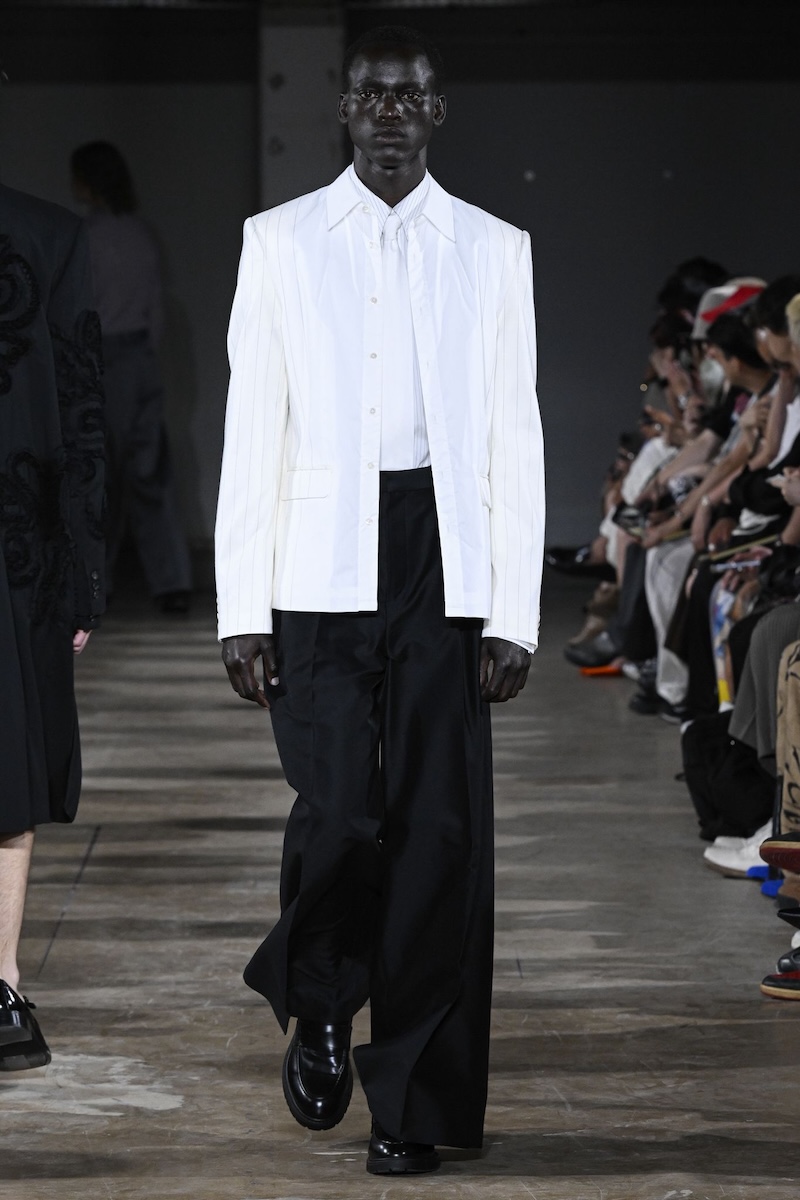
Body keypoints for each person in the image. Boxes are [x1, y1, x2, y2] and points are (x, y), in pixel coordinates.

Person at [215, 24, 544, 1176]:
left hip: (443, 561)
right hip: (315, 560)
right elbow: (253, 423)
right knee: (341, 813)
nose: (390, 113)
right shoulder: (280, 240)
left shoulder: (493, 249)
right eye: (371, 96)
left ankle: (409, 1100)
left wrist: (512, 609)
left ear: (434, 111)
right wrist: (240, 605)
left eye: (409, 97)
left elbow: (511, 429)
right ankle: (316, 995)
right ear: (345, 109)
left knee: (437, 836)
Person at [0, 181, 105, 1070]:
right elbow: (83, 406)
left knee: (13, 761)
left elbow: (80, 402)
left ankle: (0, 983)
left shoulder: (49, 234)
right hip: (22, 541)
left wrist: (84, 567)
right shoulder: (50, 232)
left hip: (18, 544)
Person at [70, 141, 192, 612]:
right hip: (141, 357)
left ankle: (96, 584)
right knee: (149, 473)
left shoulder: (85, 236)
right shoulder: (140, 233)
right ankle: (172, 583)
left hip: (103, 357)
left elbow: (81, 305)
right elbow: (156, 306)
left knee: (98, 477)